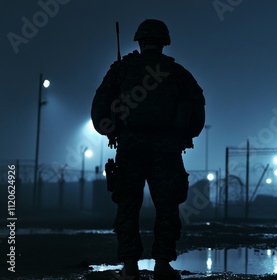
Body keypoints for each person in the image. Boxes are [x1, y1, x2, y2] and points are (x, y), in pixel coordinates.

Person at [91, 19, 205, 280]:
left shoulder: (121, 69)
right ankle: (162, 265)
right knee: (167, 207)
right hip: (167, 149)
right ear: (164, 43)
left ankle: (130, 266)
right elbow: (197, 107)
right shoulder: (177, 73)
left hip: (130, 147)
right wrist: (184, 136)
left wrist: (111, 129)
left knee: (128, 205)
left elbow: (99, 106)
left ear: (139, 41)